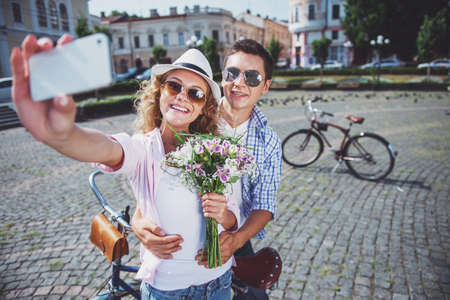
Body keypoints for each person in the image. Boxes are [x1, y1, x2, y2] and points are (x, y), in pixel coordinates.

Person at [10, 34, 241, 300]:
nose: (182, 97)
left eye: (195, 93)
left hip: (218, 282)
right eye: (174, 86)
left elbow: (235, 217)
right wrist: (63, 136)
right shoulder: (144, 148)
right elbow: (107, 149)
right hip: (168, 289)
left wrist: (223, 214)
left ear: (204, 108)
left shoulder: (217, 151)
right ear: (159, 92)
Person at [132, 39, 282, 300]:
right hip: (179, 251)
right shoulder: (193, 111)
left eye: (252, 77)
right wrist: (139, 224)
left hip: (236, 232)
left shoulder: (268, 140)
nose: (239, 82)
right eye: (232, 73)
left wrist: (236, 240)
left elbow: (265, 204)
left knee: (255, 296)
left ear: (266, 86)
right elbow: (150, 178)